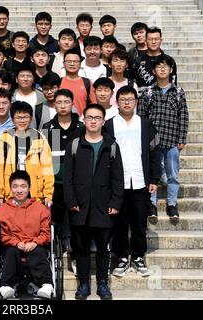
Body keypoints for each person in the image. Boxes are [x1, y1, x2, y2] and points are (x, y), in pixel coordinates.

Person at [63, 103, 124, 300]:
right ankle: (83, 285)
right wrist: (71, 200)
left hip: (104, 207)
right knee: (80, 249)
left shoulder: (112, 146)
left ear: (103, 121)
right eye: (89, 117)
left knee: (103, 250)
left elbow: (118, 178)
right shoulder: (74, 144)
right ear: (83, 120)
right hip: (79, 207)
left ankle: (103, 284)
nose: (93, 121)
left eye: (97, 118)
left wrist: (116, 202)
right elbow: (68, 177)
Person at [105, 85, 161, 278]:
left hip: (140, 181)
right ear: (116, 102)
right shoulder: (109, 124)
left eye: (130, 99)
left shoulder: (145, 124)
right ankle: (121, 256)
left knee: (139, 222)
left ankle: (137, 256)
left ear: (136, 102)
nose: (127, 103)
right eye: (123, 100)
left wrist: (154, 178)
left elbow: (155, 153)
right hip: (117, 183)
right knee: (119, 223)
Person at [138, 54, 189, 223]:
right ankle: (151, 204)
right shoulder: (148, 92)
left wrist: (181, 137)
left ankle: (172, 204)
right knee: (152, 173)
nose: (162, 69)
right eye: (159, 66)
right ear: (153, 70)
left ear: (171, 70)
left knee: (173, 174)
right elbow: (141, 117)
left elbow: (183, 116)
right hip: (153, 143)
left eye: (165, 66)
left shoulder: (179, 93)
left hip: (172, 140)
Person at [0, 170, 54, 299]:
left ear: (29, 188)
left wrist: (35, 242)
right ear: (10, 188)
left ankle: (46, 285)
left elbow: (46, 234)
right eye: (15, 186)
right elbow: (3, 236)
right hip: (14, 246)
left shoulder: (40, 208)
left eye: (23, 186)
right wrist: (16, 243)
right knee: (11, 252)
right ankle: (6, 286)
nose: (19, 190)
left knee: (38, 251)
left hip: (34, 245)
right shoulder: (2, 210)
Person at [42, 89, 83, 254]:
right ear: (54, 105)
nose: (63, 106)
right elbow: (43, 157)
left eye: (66, 102)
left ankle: (75, 252)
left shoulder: (81, 127)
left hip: (76, 182)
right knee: (56, 219)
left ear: (72, 104)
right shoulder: (47, 128)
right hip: (55, 183)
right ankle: (57, 250)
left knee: (76, 218)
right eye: (59, 102)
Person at [0, 101, 54, 207]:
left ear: (31, 118)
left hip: (34, 195)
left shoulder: (39, 138)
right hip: (10, 195)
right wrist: (0, 195)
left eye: (25, 117)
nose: (22, 121)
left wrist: (48, 194)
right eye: (18, 117)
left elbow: (47, 168)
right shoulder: (4, 138)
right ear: (12, 119)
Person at [60, 48, 96, 115]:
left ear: (80, 64)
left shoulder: (87, 83)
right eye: (69, 61)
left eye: (75, 61)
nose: (72, 64)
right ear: (63, 63)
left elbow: (93, 105)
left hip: (81, 123)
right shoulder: (58, 82)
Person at [12, 65, 46, 129]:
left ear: (33, 79)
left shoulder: (42, 96)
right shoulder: (11, 97)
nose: (25, 79)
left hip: (39, 134)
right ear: (16, 79)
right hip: (15, 134)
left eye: (29, 76)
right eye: (22, 76)